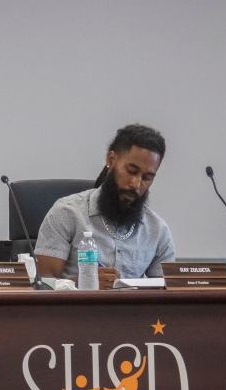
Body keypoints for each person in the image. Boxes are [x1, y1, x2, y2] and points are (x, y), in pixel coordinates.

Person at [34, 124, 176, 289]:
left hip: (133, 315)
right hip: (73, 313)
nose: (136, 184)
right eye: (131, 171)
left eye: (147, 177)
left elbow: (169, 292)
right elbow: (42, 283)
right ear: (111, 160)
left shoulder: (157, 231)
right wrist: (84, 283)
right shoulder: (66, 213)